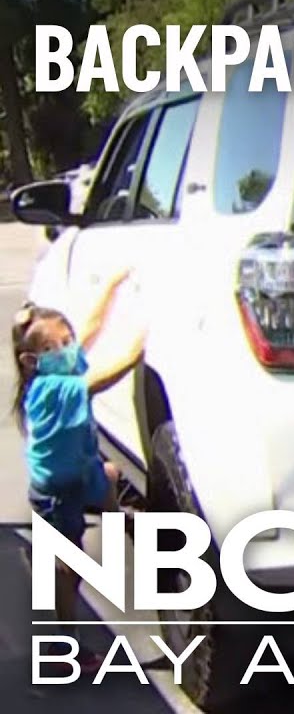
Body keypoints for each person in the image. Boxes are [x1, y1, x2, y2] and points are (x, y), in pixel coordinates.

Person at [12, 269, 144, 674]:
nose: (69, 349)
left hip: (79, 471)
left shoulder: (60, 369)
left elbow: (89, 328)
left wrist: (109, 289)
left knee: (108, 472)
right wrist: (140, 348)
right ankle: (63, 645)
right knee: (71, 569)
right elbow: (101, 379)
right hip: (57, 493)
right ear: (32, 361)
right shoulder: (53, 387)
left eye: (67, 341)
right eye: (57, 346)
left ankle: (116, 515)